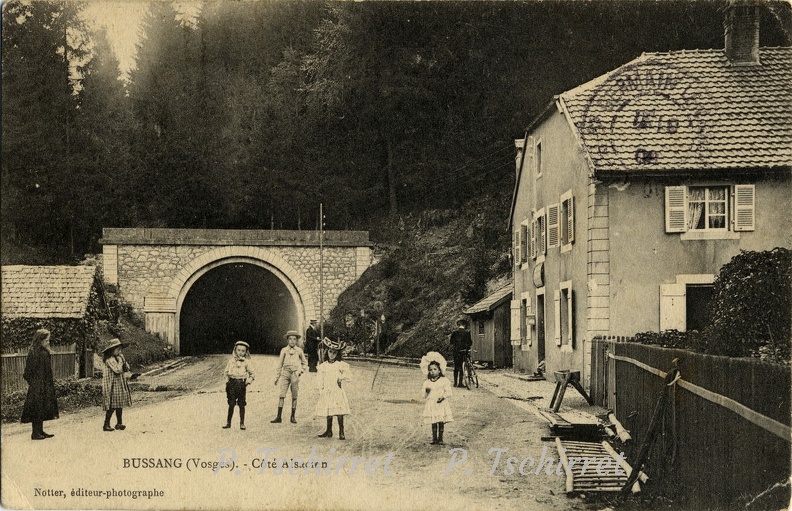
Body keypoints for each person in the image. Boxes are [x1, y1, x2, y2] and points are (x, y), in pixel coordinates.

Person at [20, 328, 59, 440]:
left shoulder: (44, 352)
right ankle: (35, 433)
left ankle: (40, 431)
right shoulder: (34, 353)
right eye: (46, 341)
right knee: (36, 408)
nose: (48, 343)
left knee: (42, 407)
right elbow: (27, 373)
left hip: (45, 385)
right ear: (40, 340)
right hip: (37, 386)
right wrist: (35, 384)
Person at [315, 338, 351, 440]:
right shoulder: (323, 366)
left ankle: (341, 431)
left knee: (339, 410)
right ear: (327, 352)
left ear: (337, 354)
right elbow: (319, 378)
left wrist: (341, 378)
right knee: (328, 409)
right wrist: (321, 389)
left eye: (334, 353)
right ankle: (329, 430)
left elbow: (348, 375)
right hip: (327, 390)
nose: (332, 354)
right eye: (330, 352)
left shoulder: (340, 365)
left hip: (336, 390)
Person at [271, 330, 308, 424]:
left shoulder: (299, 350)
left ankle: (293, 416)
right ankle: (279, 416)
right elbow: (280, 364)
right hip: (285, 373)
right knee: (282, 394)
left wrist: (300, 371)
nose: (292, 341)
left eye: (294, 339)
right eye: (290, 339)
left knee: (294, 395)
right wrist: (277, 377)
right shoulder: (284, 350)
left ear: (297, 341)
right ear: (287, 340)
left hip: (295, 373)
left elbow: (305, 363)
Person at [420, 351, 453, 445]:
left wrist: (443, 397)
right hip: (432, 404)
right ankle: (434, 438)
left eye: (435, 369)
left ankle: (440, 438)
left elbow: (449, 392)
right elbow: (423, 396)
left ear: (440, 370)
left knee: (440, 421)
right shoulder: (427, 383)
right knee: (433, 421)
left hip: (441, 403)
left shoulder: (444, 381)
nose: (433, 371)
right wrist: (426, 392)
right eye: (430, 370)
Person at [101, 338, 132, 432]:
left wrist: (123, 361)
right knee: (113, 404)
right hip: (112, 384)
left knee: (119, 403)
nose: (120, 351)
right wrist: (121, 361)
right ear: (112, 350)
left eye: (120, 349)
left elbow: (127, 368)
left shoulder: (118, 358)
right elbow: (118, 370)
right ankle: (106, 424)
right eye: (118, 349)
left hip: (119, 383)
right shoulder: (110, 360)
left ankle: (119, 423)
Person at [223, 341, 255, 430]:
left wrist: (248, 381)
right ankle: (228, 423)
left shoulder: (246, 362)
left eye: (243, 351)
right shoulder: (231, 361)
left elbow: (252, 374)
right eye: (238, 350)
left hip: (241, 384)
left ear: (246, 352)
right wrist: (228, 382)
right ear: (235, 350)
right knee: (231, 404)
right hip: (232, 384)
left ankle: (242, 423)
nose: (240, 352)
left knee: (242, 404)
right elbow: (225, 372)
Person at [449, 319, 472, 387]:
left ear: (458, 325)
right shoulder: (467, 332)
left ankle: (455, 383)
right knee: (462, 366)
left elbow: (451, 342)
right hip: (464, 352)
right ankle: (460, 383)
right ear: (464, 325)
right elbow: (470, 343)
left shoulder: (454, 332)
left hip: (456, 352)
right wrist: (467, 347)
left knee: (456, 367)